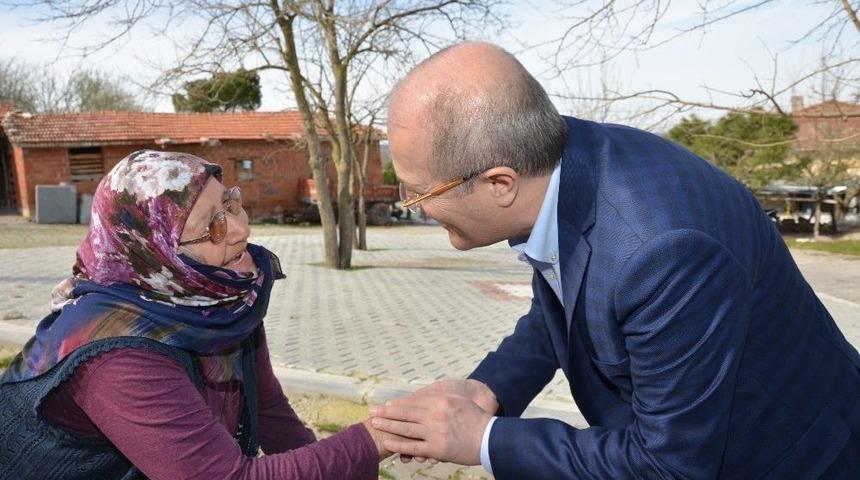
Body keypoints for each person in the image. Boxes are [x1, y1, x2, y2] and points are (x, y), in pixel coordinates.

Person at [370, 42, 860, 479]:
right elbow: (566, 298)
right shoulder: (559, 160)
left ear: (500, 183)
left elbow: (668, 465)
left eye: (419, 194)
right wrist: (488, 388)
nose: (418, 210)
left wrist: (482, 439)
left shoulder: (663, 250)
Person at [0, 150, 390, 479]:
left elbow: (270, 412)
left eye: (230, 204)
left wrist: (345, 464)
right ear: (155, 250)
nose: (240, 229)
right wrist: (375, 440)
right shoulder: (116, 353)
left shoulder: (218, 301)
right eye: (213, 225)